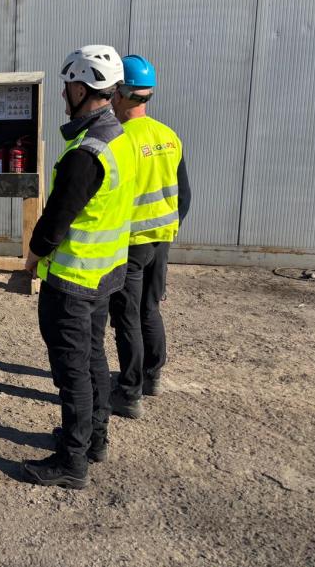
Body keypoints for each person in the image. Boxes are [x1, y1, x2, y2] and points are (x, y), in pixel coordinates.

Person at [21, 45, 136, 489]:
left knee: (73, 371)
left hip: (73, 280)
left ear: (81, 88)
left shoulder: (85, 153)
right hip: (107, 273)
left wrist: (33, 256)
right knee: (92, 359)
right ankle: (94, 440)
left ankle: (72, 462)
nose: (64, 94)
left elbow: (54, 224)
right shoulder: (118, 138)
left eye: (67, 86)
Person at [107, 54, 191, 419]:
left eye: (112, 91)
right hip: (162, 240)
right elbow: (184, 195)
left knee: (127, 316)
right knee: (149, 310)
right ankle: (152, 376)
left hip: (131, 244)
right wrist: (166, 228)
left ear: (123, 94)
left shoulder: (120, 139)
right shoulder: (168, 136)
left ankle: (128, 392)